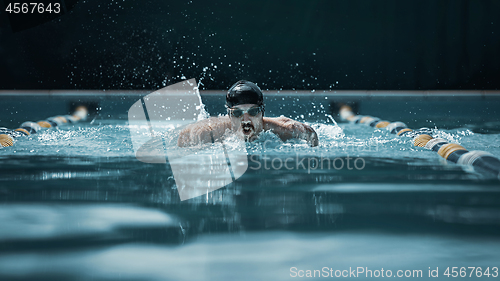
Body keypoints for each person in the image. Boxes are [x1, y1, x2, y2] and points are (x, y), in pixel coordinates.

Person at [177, 80, 319, 147]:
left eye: (253, 111)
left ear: (262, 112)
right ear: (229, 115)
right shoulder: (210, 132)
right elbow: (184, 137)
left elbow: (311, 136)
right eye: (238, 113)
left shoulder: (285, 130)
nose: (246, 120)